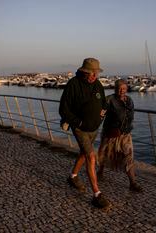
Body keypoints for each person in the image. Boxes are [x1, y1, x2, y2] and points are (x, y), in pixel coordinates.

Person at [59, 57, 110, 209]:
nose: (94, 76)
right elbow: (63, 109)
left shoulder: (98, 84)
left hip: (94, 128)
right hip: (80, 128)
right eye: (91, 72)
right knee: (91, 156)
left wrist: (103, 113)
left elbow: (104, 102)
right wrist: (78, 122)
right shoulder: (73, 84)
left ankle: (73, 176)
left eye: (96, 73)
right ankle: (97, 194)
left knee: (83, 152)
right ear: (84, 71)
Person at [97, 79, 143, 192]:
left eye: (124, 88)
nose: (122, 90)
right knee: (104, 153)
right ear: (115, 89)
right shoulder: (109, 100)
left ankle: (133, 183)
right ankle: (100, 171)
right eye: (119, 88)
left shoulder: (130, 100)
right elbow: (101, 114)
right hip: (111, 134)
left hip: (126, 135)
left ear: (126, 88)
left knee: (129, 157)